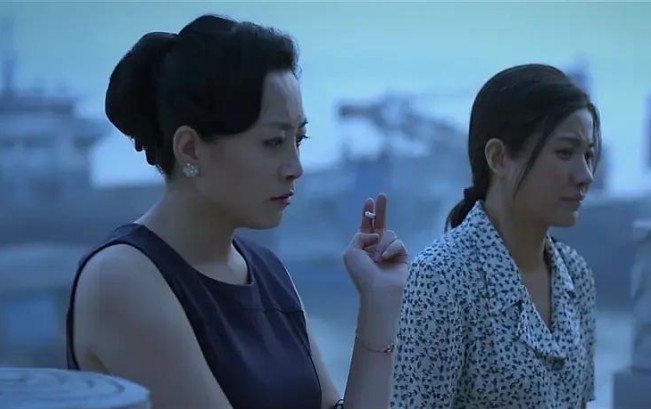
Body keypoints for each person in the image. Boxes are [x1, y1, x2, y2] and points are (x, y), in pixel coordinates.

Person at [64, 14, 409, 409]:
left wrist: (379, 306)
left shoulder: (267, 270)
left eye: (299, 139)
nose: (295, 167)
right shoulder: (123, 278)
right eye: (273, 142)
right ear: (191, 149)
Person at [390, 64, 601, 409]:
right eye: (565, 153)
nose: (585, 175)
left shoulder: (575, 276)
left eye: (588, 154)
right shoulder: (441, 279)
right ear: (498, 158)